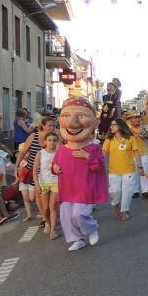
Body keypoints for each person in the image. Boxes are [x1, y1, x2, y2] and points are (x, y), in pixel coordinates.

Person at [52, 97, 107, 251]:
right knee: (65, 216)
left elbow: (99, 167)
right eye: (66, 116)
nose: (72, 123)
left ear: (94, 123)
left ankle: (91, 228)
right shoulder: (62, 149)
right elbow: (55, 165)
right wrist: (55, 168)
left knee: (79, 215)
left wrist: (87, 157)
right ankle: (77, 239)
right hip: (67, 188)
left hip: (84, 188)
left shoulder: (94, 148)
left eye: (81, 116)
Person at [102, 118, 142, 221]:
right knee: (115, 191)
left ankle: (124, 210)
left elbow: (136, 153)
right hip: (113, 171)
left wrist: (140, 166)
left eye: (113, 125)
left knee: (127, 191)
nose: (111, 127)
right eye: (111, 125)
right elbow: (103, 154)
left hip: (128, 170)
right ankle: (116, 204)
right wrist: (99, 166)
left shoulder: (130, 138)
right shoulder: (109, 140)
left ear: (120, 126)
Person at [32, 131, 60, 239]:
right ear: (45, 141)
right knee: (45, 208)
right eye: (49, 140)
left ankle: (53, 230)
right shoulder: (41, 153)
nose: (52, 143)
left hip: (56, 182)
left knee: (53, 207)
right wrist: (37, 185)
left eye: (54, 140)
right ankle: (47, 222)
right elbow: (35, 170)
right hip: (43, 182)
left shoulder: (59, 152)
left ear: (56, 141)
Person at [125, 110, 148, 199]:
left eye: (138, 118)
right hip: (132, 154)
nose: (137, 119)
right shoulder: (126, 129)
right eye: (135, 118)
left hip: (143, 152)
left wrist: (142, 132)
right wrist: (134, 133)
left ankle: (145, 190)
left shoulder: (141, 127)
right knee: (134, 173)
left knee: (144, 171)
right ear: (130, 119)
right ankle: (136, 191)